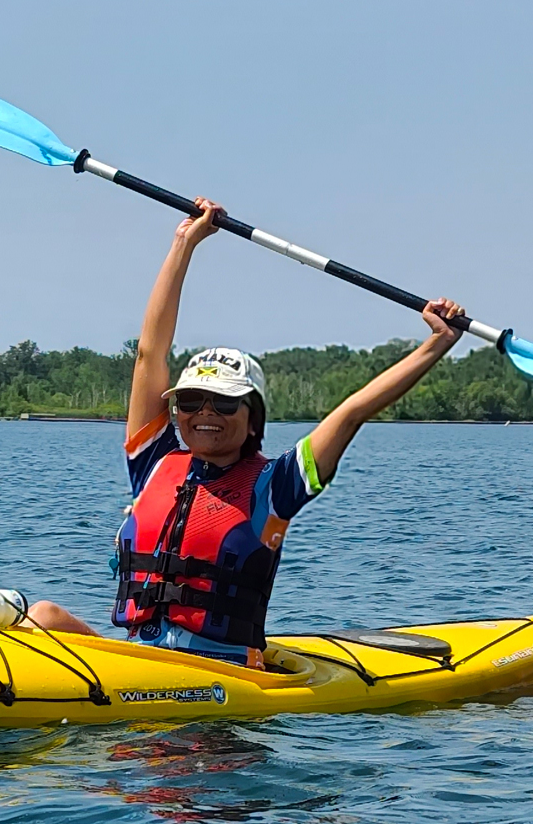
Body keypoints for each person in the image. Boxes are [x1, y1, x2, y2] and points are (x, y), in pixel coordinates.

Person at [26, 198, 466, 669]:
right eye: (191, 401)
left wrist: (437, 344)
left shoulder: (276, 486)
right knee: (41, 616)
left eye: (225, 402)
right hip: (137, 659)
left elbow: (354, 410)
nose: (205, 413)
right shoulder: (154, 462)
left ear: (252, 417)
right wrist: (184, 243)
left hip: (220, 672)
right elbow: (149, 354)